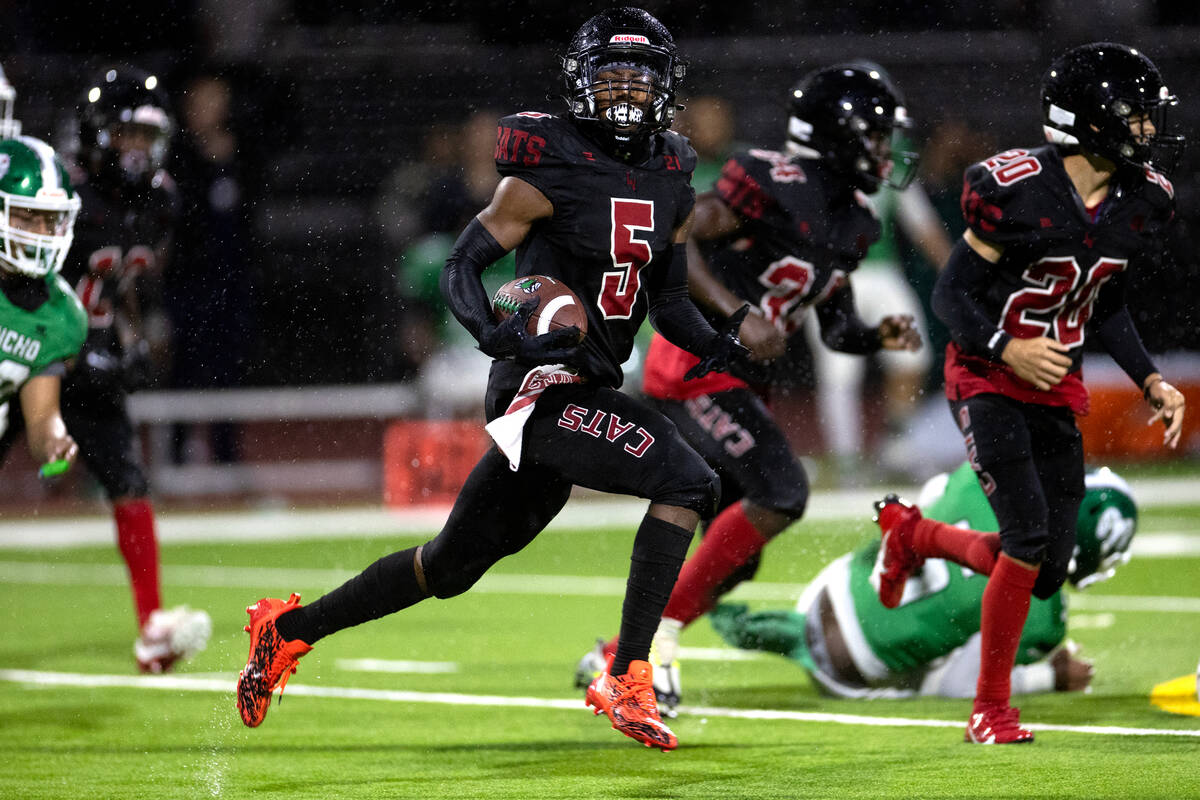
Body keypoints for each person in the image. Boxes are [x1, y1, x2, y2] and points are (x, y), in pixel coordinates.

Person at [236, 7, 748, 752]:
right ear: (581, 81)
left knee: (447, 568)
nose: (628, 92)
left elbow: (666, 302)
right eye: (613, 75)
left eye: (642, 76)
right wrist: (491, 332)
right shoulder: (551, 162)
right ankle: (628, 673)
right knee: (690, 483)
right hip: (539, 386)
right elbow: (461, 265)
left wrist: (717, 342)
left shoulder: (672, 170)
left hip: (588, 385)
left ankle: (286, 631)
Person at [580, 63, 922, 714]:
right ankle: (648, 652)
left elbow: (838, 325)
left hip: (740, 381)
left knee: (735, 559)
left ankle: (617, 651)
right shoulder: (774, 181)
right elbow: (675, 238)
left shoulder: (853, 224)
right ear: (837, 137)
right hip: (695, 365)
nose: (886, 153)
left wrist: (879, 338)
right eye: (875, 138)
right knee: (782, 491)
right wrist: (737, 311)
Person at [878, 42, 1186, 744]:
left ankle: (914, 534)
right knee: (1023, 536)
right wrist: (1006, 346)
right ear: (1087, 121)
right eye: (1133, 117)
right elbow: (954, 293)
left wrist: (1150, 377)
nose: (1146, 130)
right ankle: (990, 711)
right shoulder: (1013, 186)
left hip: (1055, 387)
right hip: (985, 375)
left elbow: (1104, 304)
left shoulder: (1140, 201)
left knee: (1048, 567)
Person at [710, 462, 1135, 699]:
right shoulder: (1046, 617)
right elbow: (960, 686)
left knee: (913, 521)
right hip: (847, 674)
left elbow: (926, 500)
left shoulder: (981, 479)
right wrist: (1049, 678)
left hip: (824, 594)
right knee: (956, 660)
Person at [62, 66, 211, 672]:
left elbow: (127, 280)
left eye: (147, 137)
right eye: (125, 134)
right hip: (27, 352)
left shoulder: (161, 199)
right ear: (97, 133)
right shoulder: (63, 193)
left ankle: (152, 630)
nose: (137, 149)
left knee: (128, 480)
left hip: (91, 358)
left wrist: (129, 333)